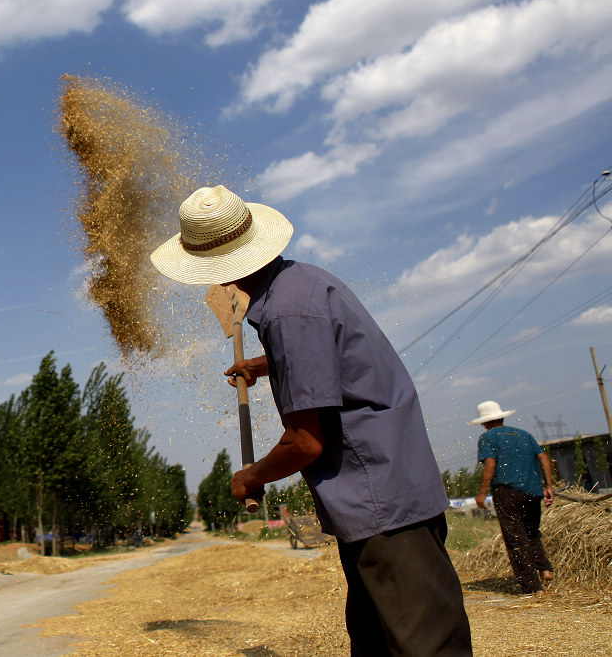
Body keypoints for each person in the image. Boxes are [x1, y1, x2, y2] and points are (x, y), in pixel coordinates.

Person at [151, 185, 472, 657]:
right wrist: (268, 364)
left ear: (221, 271)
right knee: (375, 639)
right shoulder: (302, 283)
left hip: (379, 500)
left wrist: (250, 476)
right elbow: (329, 358)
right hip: (387, 493)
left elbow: (306, 442)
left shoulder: (286, 313)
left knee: (424, 645)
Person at [469, 401, 554, 596]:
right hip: (533, 491)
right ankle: (545, 569)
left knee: (516, 538)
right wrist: (548, 485)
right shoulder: (524, 434)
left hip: (507, 491)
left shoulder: (487, 437)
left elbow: (490, 463)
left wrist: (482, 492)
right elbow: (544, 458)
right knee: (532, 531)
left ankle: (533, 588)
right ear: (502, 417)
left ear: (484, 422)